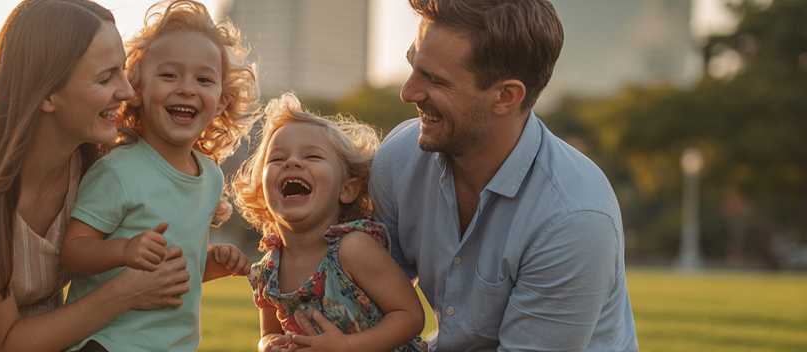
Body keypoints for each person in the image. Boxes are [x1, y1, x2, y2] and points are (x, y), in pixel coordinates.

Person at [0, 1, 192, 351]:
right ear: (48, 93)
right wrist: (127, 291)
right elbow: (4, 343)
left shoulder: (97, 170)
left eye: (124, 71)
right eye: (106, 77)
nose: (127, 91)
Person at [368, 0, 641, 350]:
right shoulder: (400, 157)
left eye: (435, 80)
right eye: (414, 66)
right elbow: (363, 300)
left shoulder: (574, 217)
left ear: (506, 97)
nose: (408, 93)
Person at [56, 1, 259, 350]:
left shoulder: (209, 178)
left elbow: (175, 273)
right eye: (169, 75)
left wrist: (212, 264)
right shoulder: (118, 171)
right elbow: (71, 252)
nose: (187, 89)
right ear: (135, 90)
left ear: (221, 102)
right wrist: (124, 251)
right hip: (106, 342)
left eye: (204, 79)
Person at [230, 94, 429, 352]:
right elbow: (268, 332)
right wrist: (269, 345)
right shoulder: (269, 270)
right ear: (261, 189)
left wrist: (346, 345)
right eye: (277, 159)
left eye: (312, 156)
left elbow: (410, 316)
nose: (292, 162)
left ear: (347, 190)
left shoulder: (352, 249)